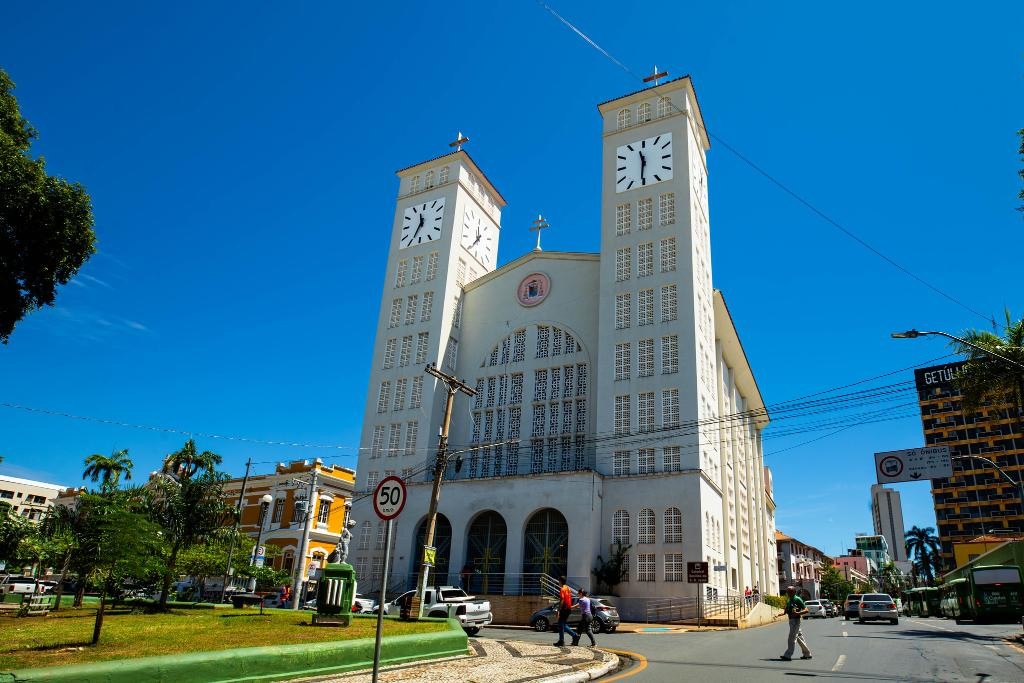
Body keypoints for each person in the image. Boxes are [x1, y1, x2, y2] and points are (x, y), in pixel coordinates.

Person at [776, 585, 812, 661]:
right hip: (791, 621)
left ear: (794, 592)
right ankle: (807, 654)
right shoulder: (790, 600)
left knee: (792, 638)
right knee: (799, 638)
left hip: (796, 621)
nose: (788, 593)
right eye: (787, 592)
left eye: (790, 592)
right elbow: (787, 609)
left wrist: (798, 613)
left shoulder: (797, 599)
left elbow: (806, 610)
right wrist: (782, 614)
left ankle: (788, 655)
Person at [553, 576, 579, 647]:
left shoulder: (562, 589)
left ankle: (570, 637)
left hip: (564, 608)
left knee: (561, 624)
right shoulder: (568, 588)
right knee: (562, 624)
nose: (558, 582)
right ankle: (569, 638)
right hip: (568, 608)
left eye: (558, 581)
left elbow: (562, 600)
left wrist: (558, 610)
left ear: (560, 581)